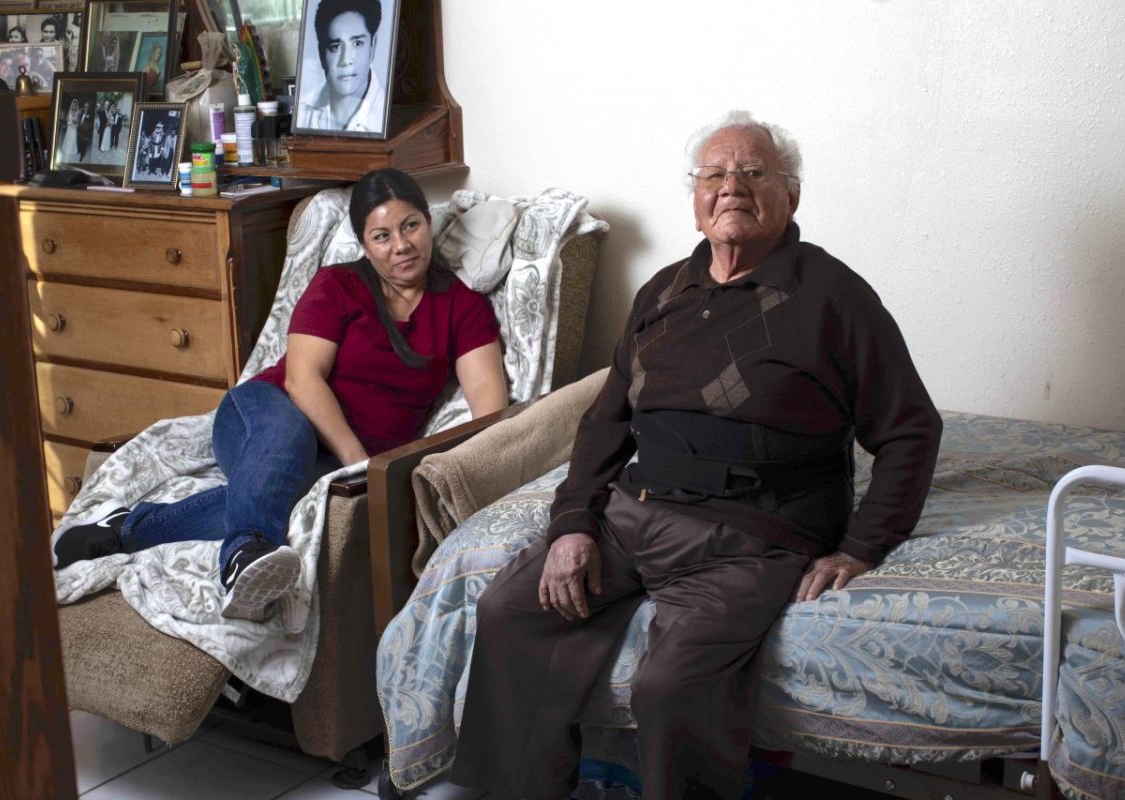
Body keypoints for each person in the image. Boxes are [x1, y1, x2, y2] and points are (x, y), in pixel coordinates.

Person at [450, 111, 943, 799]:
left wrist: (861, 546)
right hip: (637, 510)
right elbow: (605, 423)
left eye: (753, 172)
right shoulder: (664, 292)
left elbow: (912, 430)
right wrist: (571, 526)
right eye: (715, 174)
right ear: (695, 198)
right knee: (511, 612)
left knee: (671, 685)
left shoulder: (833, 296)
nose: (732, 186)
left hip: (754, 535)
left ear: (791, 195)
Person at [53, 168, 509, 621]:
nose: (401, 245)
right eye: (381, 235)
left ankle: (126, 527)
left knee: (289, 493)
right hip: (264, 412)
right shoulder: (338, 286)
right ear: (364, 245)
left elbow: (489, 412)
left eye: (411, 225)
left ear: (429, 223)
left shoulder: (462, 308)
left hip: (335, 459)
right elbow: (301, 379)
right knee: (287, 438)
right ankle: (242, 559)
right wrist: (358, 463)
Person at [296, 0, 386, 133]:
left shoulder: (385, 118)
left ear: (373, 47)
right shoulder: (302, 112)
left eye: (357, 44)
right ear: (321, 54)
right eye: (335, 47)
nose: (346, 60)